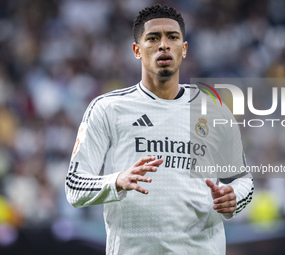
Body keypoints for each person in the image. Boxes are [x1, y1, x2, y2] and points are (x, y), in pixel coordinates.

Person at [65, 4, 253, 255]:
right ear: (137, 50)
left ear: (184, 49)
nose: (164, 45)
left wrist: (234, 199)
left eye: (173, 37)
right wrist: (116, 181)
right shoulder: (108, 108)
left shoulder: (214, 110)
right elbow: (74, 186)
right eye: (153, 38)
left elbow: (243, 180)